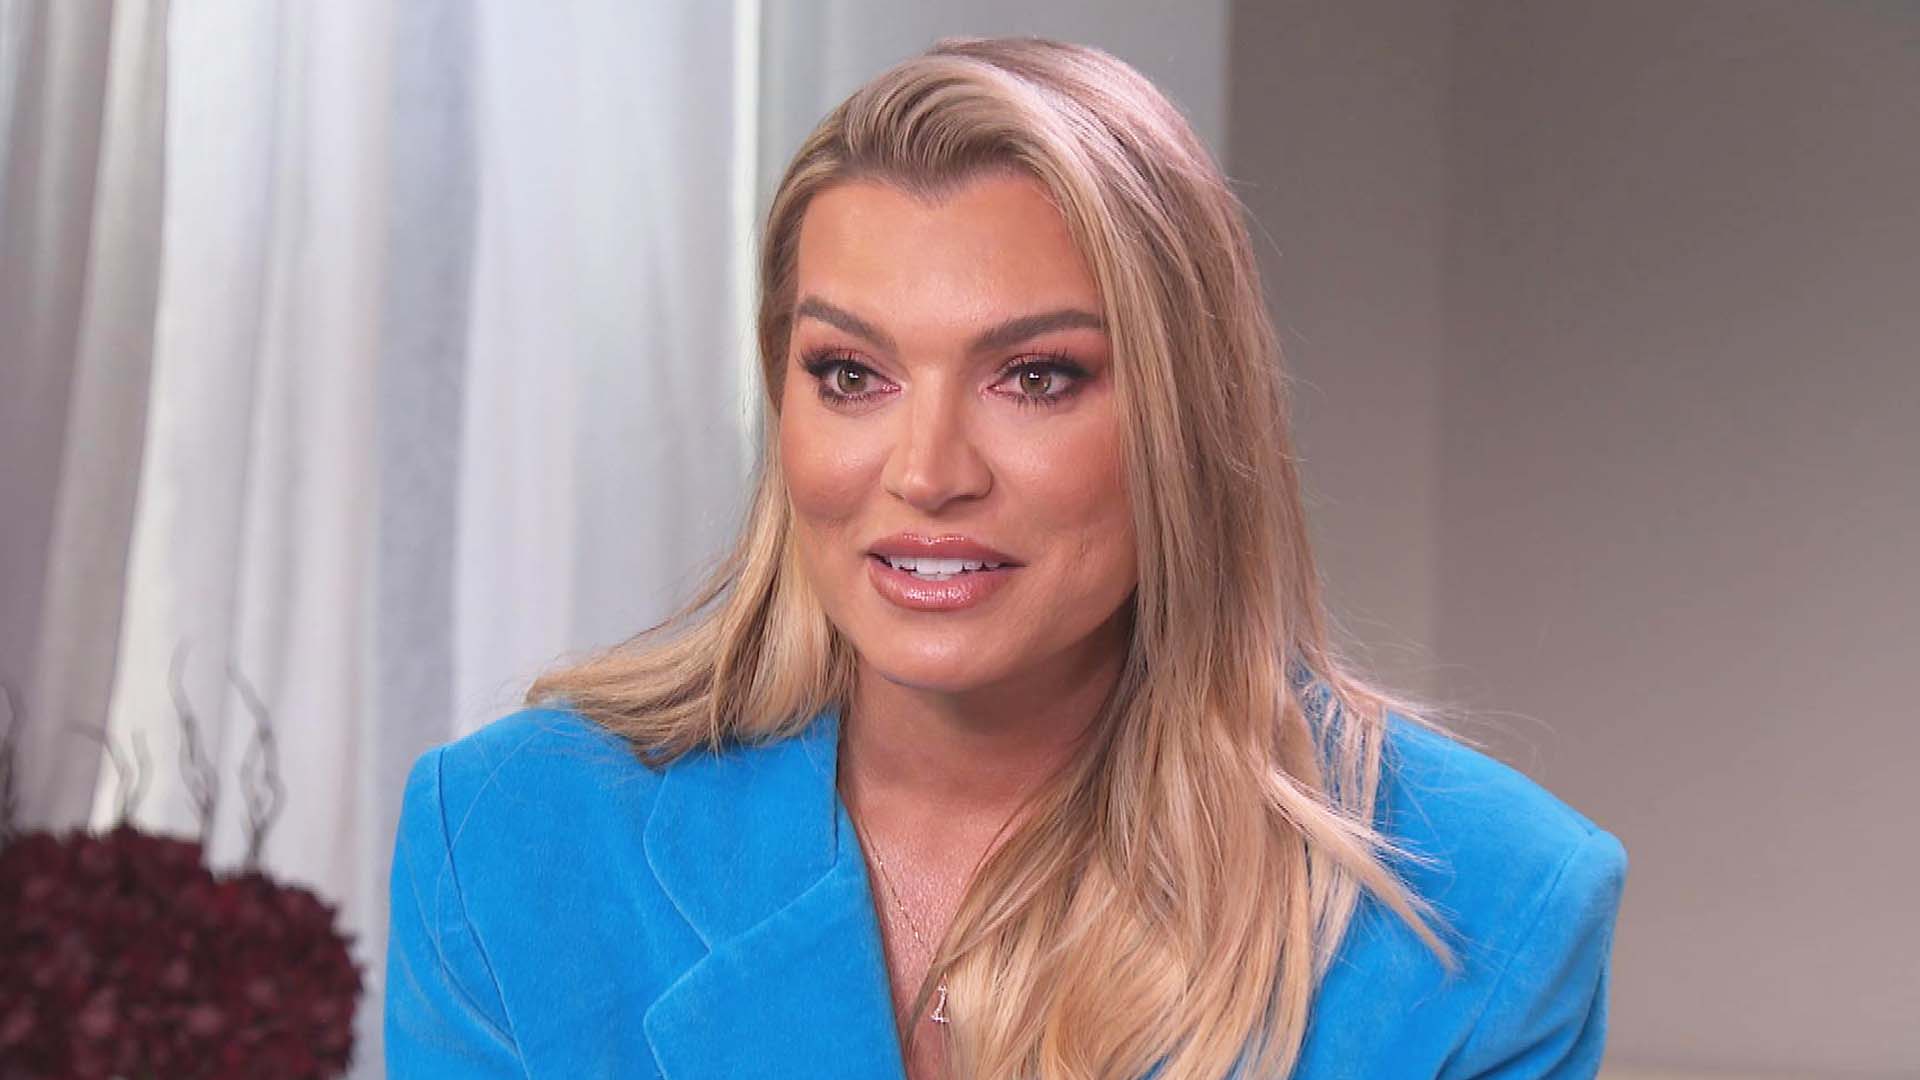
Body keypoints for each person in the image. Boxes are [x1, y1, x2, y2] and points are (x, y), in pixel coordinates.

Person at [385, 35, 1626, 1080]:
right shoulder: (510, 841)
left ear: (1187, 419)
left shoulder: (1488, 910)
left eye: (1036, 377)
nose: (928, 473)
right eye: (851, 374)